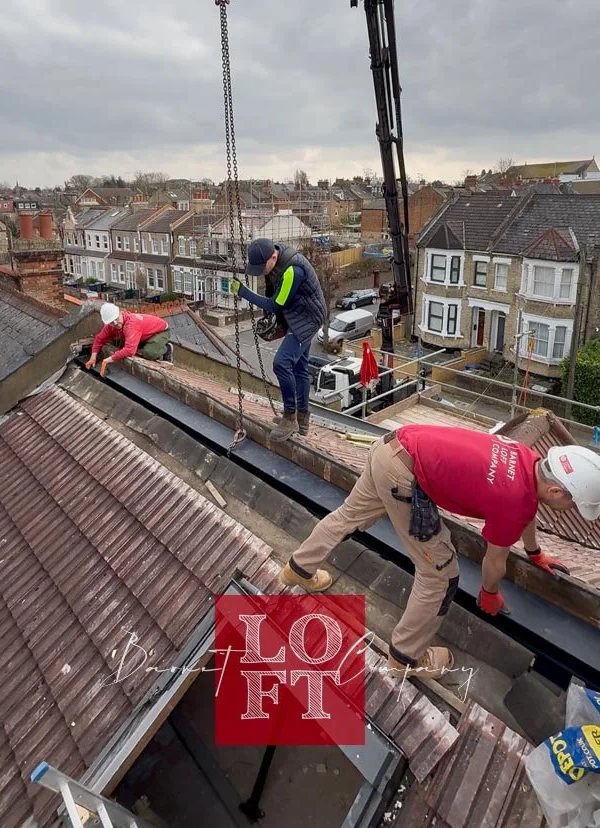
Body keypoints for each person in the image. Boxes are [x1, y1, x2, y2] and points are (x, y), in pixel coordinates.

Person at [279, 425, 600, 681]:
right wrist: (489, 592)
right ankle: (405, 657)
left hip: (391, 446)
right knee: (440, 574)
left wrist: (534, 552)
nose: (571, 508)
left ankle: (298, 569)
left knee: (348, 516)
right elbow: (494, 559)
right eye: (573, 503)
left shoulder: (527, 457)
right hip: (404, 476)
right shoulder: (514, 499)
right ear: (556, 490)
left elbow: (529, 509)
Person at [230, 237, 327, 442]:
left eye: (262, 267)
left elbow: (275, 305)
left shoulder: (293, 271)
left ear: (273, 257)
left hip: (307, 319)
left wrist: (243, 292)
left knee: (282, 363)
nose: (261, 272)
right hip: (299, 312)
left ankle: (290, 418)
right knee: (300, 367)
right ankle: (302, 419)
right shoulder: (277, 259)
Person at [85, 303, 173, 376]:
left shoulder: (131, 325)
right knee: (119, 345)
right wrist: (93, 357)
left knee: (148, 353)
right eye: (111, 322)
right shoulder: (110, 326)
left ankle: (167, 348)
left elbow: (130, 350)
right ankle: (148, 345)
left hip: (160, 332)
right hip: (144, 334)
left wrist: (107, 360)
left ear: (120, 313)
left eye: (116, 319)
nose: (115, 323)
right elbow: (99, 339)